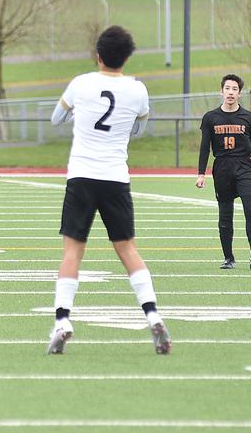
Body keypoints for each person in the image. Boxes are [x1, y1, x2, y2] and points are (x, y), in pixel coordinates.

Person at [47, 26, 170, 356]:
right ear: (127, 57)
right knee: (128, 249)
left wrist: (76, 112)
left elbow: (56, 119)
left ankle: (62, 320)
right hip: (116, 177)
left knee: (72, 251)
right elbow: (139, 128)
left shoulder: (81, 83)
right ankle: (153, 315)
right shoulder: (137, 90)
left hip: (82, 176)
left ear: (97, 55)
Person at [196, 74, 251, 270]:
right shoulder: (210, 118)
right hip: (222, 168)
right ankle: (229, 258)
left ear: (239, 93)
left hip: (245, 167)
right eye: (227, 88)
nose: (230, 92)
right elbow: (204, 148)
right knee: (225, 215)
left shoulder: (249, 118)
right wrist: (201, 173)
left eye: (234, 89)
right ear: (221, 91)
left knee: (250, 210)